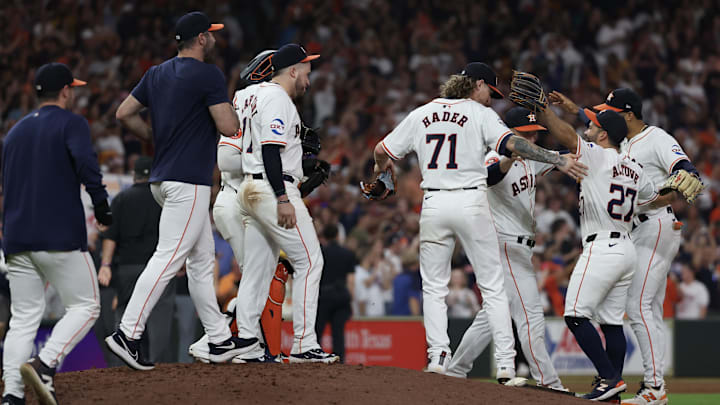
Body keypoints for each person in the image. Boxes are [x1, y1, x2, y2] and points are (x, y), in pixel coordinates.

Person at [371, 62, 587, 381]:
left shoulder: (423, 113)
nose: (490, 98)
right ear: (475, 85)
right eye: (489, 89)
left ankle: (444, 362)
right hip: (480, 213)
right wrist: (551, 157)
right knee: (510, 301)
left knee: (451, 295)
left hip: (437, 204)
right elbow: (500, 160)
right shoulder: (484, 126)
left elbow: (381, 150)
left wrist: (381, 174)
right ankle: (522, 372)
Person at [105, 11, 250, 371]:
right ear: (200, 38)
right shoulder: (207, 74)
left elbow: (124, 113)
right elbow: (229, 125)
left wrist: (153, 136)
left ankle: (217, 339)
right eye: (211, 34)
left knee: (201, 262)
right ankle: (127, 332)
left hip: (162, 178)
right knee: (169, 257)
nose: (214, 38)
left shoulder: (157, 72)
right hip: (188, 181)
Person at [551, 88, 701, 404]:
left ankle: (652, 388)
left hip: (654, 225)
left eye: (612, 110)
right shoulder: (622, 146)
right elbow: (601, 127)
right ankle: (618, 383)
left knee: (638, 306)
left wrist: (687, 176)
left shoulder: (655, 138)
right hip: (633, 228)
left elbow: (684, 166)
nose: (603, 115)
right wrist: (576, 109)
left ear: (628, 114)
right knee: (636, 310)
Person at [535, 100, 669, 400]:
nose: (589, 128)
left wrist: (544, 111)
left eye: (594, 125)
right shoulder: (635, 166)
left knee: (575, 315)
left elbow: (567, 135)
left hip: (602, 247)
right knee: (610, 323)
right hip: (626, 248)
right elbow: (655, 199)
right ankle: (613, 390)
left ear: (604, 135)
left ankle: (609, 379)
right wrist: (677, 191)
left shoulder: (596, 155)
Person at [1, 62, 112, 405]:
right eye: (72, 88)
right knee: (87, 305)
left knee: (22, 319)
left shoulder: (14, 132)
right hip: (59, 235)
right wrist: (102, 205)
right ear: (65, 90)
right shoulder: (71, 122)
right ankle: (46, 363)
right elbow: (87, 164)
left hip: (17, 237)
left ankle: (11, 395)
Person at [445, 107, 565, 390]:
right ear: (508, 134)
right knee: (530, 315)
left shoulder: (531, 158)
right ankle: (551, 383)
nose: (532, 139)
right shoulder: (495, 155)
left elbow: (564, 159)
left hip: (520, 248)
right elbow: (486, 176)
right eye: (526, 134)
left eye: (535, 134)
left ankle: (454, 370)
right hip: (504, 244)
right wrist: (509, 158)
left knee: (492, 314)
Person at [234, 43, 338, 363]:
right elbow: (269, 151)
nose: (308, 77)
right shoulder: (278, 97)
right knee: (310, 262)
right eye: (306, 71)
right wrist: (282, 197)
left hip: (247, 186)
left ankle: (247, 342)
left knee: (257, 269)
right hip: (270, 188)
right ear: (292, 71)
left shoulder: (247, 95)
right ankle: (306, 344)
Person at [98, 156, 176, 363]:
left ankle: (120, 366)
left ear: (134, 175)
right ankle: (159, 367)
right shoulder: (164, 200)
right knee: (159, 317)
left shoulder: (122, 198)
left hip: (127, 267)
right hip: (158, 266)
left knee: (125, 313)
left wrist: (105, 264)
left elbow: (110, 236)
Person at [316, 224, 356, 363]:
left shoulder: (320, 253)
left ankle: (316, 359)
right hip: (341, 296)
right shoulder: (347, 253)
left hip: (323, 296)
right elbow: (351, 280)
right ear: (338, 236)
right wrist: (351, 299)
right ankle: (340, 362)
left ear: (324, 237)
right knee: (338, 333)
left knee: (317, 331)